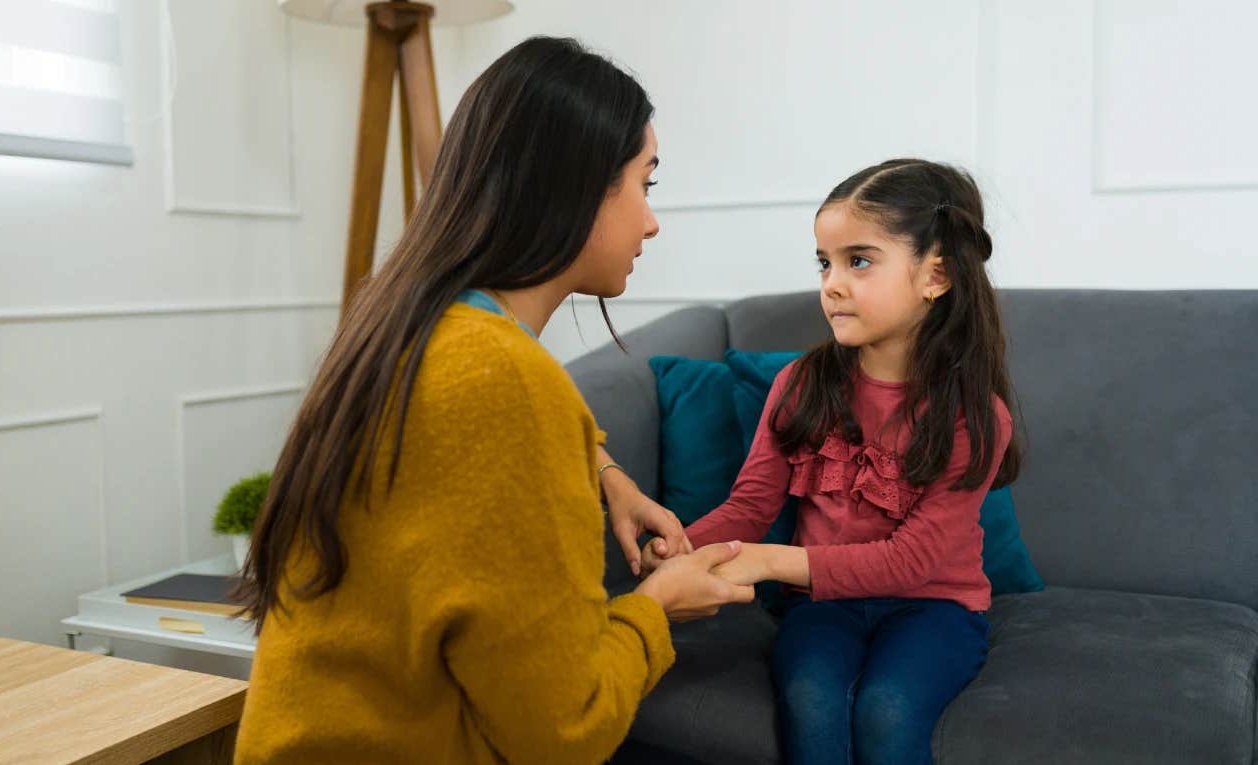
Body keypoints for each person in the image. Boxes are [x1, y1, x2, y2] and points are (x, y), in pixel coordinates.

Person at [232, 36, 755, 765]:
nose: (651, 220)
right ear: (574, 185)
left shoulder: (414, 328)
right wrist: (659, 605)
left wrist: (608, 475)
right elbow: (563, 734)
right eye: (646, 183)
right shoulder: (504, 379)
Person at [642, 159, 1023, 764]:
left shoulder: (973, 416)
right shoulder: (801, 384)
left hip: (935, 604)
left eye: (859, 261)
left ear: (937, 275)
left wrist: (767, 561)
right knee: (812, 698)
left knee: (888, 708)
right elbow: (750, 506)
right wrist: (680, 549)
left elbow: (912, 560)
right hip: (823, 606)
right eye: (825, 262)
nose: (832, 284)